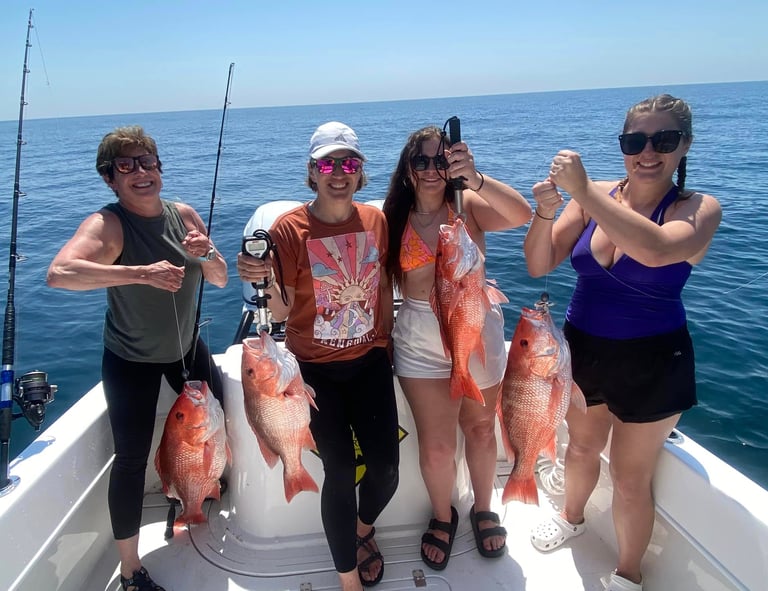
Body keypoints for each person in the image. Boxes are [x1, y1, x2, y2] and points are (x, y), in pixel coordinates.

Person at [524, 94, 721, 591]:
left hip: (653, 359)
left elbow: (655, 251)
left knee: (632, 480)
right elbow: (538, 263)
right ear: (623, 146)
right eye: (635, 141)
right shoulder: (596, 196)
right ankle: (572, 517)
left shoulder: (698, 208)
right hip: (581, 348)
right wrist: (546, 212)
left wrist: (583, 191)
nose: (648, 152)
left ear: (685, 146)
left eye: (664, 140)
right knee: (581, 449)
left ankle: (628, 574)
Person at [46, 126, 228, 591]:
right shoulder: (108, 225)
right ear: (110, 178)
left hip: (186, 350)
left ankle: (194, 499)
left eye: (148, 162)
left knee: (227, 421)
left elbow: (223, 279)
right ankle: (130, 569)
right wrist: (139, 273)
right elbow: (59, 274)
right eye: (126, 166)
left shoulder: (183, 215)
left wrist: (207, 254)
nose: (141, 172)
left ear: (160, 169)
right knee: (130, 459)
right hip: (131, 359)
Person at [236, 122, 399, 591]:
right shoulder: (289, 228)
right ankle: (348, 579)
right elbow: (283, 310)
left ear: (361, 171)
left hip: (369, 364)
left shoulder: (376, 220)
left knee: (386, 469)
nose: (339, 173)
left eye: (350, 163)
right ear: (312, 172)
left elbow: (382, 288)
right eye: (328, 163)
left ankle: (362, 531)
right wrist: (260, 277)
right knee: (341, 470)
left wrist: (385, 343)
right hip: (312, 373)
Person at [382, 126, 531, 569]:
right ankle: (443, 516)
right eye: (422, 161)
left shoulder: (468, 207)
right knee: (437, 446)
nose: (432, 170)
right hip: (419, 341)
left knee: (482, 430)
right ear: (408, 168)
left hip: (474, 328)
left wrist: (476, 177)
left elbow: (522, 214)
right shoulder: (391, 218)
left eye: (441, 161)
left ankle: (484, 508)